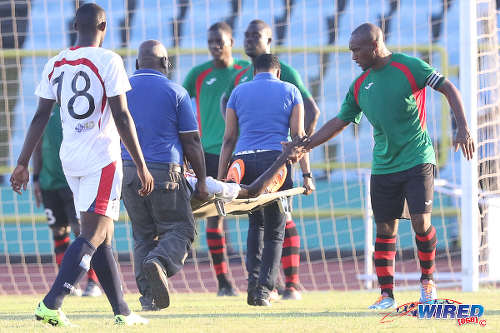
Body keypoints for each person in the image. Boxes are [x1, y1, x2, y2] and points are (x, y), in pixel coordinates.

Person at [298, 23, 475, 309]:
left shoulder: (409, 66)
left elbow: (448, 87)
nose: (353, 56)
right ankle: (386, 295)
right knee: (385, 229)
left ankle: (428, 282)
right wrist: (306, 144)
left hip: (418, 157)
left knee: (421, 222)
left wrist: (463, 127)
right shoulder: (359, 85)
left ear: (375, 45)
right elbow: (339, 121)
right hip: (383, 166)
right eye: (351, 50)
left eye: (357, 50)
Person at [10, 3, 153, 326]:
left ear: (76, 25)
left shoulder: (56, 63)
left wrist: (21, 163)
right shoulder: (110, 60)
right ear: (104, 27)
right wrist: (141, 165)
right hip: (101, 158)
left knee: (102, 234)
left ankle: (122, 311)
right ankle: (52, 302)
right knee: (94, 233)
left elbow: (40, 116)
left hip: (70, 159)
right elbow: (121, 115)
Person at [221, 19, 320, 300]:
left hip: (243, 162)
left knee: (255, 225)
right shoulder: (290, 90)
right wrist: (307, 175)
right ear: (278, 71)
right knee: (276, 230)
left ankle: (252, 284)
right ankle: (265, 290)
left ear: (254, 72)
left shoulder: (239, 91)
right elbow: (298, 137)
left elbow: (229, 138)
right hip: (275, 164)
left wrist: (221, 175)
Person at [122, 40, 209, 311]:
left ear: (137, 63)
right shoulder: (176, 91)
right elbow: (192, 140)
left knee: (142, 235)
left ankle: (149, 297)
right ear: (166, 64)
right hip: (164, 172)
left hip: (127, 172)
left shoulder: (120, 90)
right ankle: (159, 262)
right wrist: (203, 180)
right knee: (181, 228)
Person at [183, 21, 250, 297]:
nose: (214, 46)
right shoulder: (198, 74)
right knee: (214, 219)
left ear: (231, 42)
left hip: (242, 152)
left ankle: (266, 279)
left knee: (258, 213)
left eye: (219, 41)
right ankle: (224, 282)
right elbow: (181, 108)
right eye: (210, 42)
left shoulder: (246, 71)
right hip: (209, 153)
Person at [33, 104, 101, 298]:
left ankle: (93, 282)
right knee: (59, 233)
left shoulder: (78, 107)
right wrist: (36, 178)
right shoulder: (46, 110)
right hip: (49, 184)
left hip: (72, 182)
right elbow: (38, 145)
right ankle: (68, 284)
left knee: (83, 232)